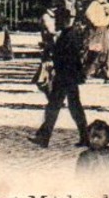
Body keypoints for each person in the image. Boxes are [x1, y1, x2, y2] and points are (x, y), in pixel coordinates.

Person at [31, 19, 90, 149]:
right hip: (68, 76)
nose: (56, 22)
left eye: (58, 18)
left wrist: (51, 49)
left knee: (56, 106)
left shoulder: (69, 35)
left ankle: (44, 137)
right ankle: (84, 137)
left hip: (65, 76)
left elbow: (67, 55)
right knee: (73, 107)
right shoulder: (67, 33)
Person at [85, 0, 109, 81]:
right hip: (98, 30)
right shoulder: (94, 5)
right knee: (97, 51)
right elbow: (89, 15)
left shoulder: (106, 5)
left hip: (105, 30)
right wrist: (96, 23)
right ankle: (90, 72)